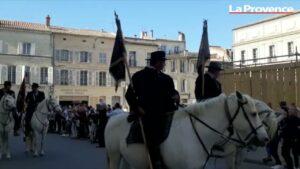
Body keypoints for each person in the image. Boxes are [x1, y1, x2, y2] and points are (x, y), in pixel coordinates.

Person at [125, 51, 178, 169]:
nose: (164, 64)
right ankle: (155, 161)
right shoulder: (139, 76)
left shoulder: (167, 78)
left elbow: (172, 92)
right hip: (149, 114)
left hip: (168, 112)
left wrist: (176, 95)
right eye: (163, 62)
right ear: (158, 62)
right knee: (153, 133)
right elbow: (129, 95)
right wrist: (137, 108)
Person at [279, 104, 300, 169]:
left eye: (291, 109)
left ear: (295, 111)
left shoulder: (297, 119)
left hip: (294, 140)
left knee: (295, 153)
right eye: (289, 109)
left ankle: (296, 166)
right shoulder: (287, 118)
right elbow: (283, 128)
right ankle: (290, 166)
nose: (290, 110)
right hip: (287, 139)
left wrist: (297, 138)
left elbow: (298, 130)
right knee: (284, 153)